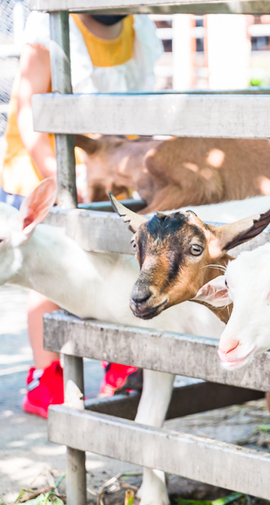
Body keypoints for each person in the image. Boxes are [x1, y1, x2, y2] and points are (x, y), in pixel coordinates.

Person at [1, 12, 163, 417]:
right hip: (50, 168)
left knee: (115, 262)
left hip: (109, 169)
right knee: (45, 264)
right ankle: (47, 374)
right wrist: (61, 182)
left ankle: (119, 360)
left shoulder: (137, 26)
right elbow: (29, 113)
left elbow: (142, 102)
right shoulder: (53, 28)